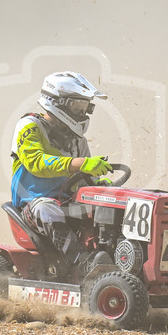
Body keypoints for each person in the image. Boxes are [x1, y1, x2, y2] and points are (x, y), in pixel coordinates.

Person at [10, 71, 114, 274]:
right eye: (78, 107)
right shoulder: (30, 126)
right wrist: (81, 163)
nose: (82, 113)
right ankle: (82, 264)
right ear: (58, 103)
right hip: (33, 204)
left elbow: (85, 181)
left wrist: (101, 188)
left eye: (85, 107)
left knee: (110, 208)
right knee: (48, 209)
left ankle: (117, 256)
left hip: (69, 201)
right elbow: (36, 163)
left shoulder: (79, 141)